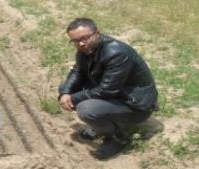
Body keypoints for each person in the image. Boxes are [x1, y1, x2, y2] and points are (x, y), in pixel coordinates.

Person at [58, 17, 158, 159]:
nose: (81, 43)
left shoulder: (116, 53)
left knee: (86, 109)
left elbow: (107, 90)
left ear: (97, 33)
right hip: (116, 94)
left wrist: (72, 98)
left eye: (85, 38)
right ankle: (101, 125)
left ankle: (117, 138)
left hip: (135, 104)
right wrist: (65, 92)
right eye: (75, 41)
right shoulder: (85, 49)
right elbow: (78, 71)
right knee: (66, 88)